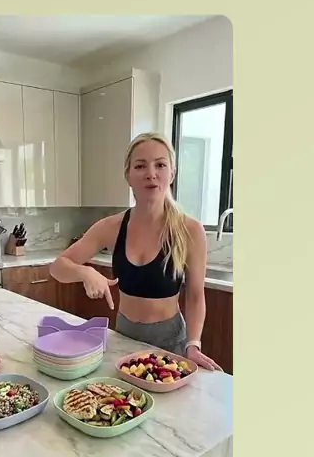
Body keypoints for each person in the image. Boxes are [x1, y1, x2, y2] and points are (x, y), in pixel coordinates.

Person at [49, 132, 222, 370]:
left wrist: (193, 344)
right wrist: (84, 272)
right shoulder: (111, 227)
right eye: (140, 166)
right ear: (128, 175)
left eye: (160, 165)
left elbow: (195, 296)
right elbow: (58, 267)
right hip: (124, 339)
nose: (151, 173)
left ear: (172, 173)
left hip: (170, 345)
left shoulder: (189, 230)